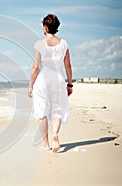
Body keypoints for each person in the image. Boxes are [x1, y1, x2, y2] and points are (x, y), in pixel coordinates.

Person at [28, 14, 73, 152]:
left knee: (41, 111)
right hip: (58, 80)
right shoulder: (64, 44)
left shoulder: (39, 44)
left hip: (42, 80)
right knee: (57, 109)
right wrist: (70, 84)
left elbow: (35, 67)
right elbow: (68, 66)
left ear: (46, 27)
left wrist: (30, 85)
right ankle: (55, 134)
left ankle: (46, 145)